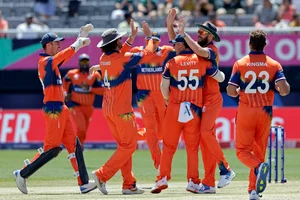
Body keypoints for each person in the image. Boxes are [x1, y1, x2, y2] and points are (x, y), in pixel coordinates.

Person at [13, 24, 96, 195]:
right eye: (57, 43)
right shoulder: (45, 62)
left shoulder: (53, 63)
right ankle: (22, 174)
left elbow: (62, 57)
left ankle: (84, 183)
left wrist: (79, 40)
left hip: (61, 108)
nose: (59, 45)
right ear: (48, 45)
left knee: (74, 145)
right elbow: (60, 57)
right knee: (52, 148)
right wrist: (77, 44)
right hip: (53, 109)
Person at [167, 8, 235, 193]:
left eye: (202, 32)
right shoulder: (193, 47)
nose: (198, 34)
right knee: (205, 143)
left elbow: (198, 49)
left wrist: (184, 33)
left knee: (205, 134)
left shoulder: (212, 50)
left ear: (211, 36)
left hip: (211, 98)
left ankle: (226, 169)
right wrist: (170, 24)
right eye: (197, 31)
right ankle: (208, 183)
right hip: (199, 100)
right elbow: (178, 42)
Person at [150, 34, 225, 194]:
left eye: (176, 44)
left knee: (169, 146)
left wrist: (167, 100)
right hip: (194, 109)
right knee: (192, 148)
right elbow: (220, 77)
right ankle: (193, 181)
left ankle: (162, 178)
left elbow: (163, 86)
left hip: (175, 107)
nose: (174, 47)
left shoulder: (171, 62)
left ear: (182, 45)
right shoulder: (201, 61)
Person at [89, 19, 156, 195]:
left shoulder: (104, 58)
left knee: (124, 146)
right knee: (129, 146)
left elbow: (122, 54)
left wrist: (132, 38)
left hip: (108, 110)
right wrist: (150, 36)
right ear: (116, 42)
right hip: (122, 111)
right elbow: (148, 54)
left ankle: (128, 184)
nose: (122, 40)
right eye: (120, 39)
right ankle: (102, 174)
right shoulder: (122, 59)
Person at [227, 30, 290, 200]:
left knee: (242, 151)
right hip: (265, 112)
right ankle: (253, 191)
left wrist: (240, 90)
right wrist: (277, 87)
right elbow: (284, 90)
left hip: (246, 111)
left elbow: (231, 90)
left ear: (249, 44)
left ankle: (259, 169)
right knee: (259, 150)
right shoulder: (274, 64)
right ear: (265, 45)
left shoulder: (240, 63)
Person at [129, 21, 173, 172]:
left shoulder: (166, 51)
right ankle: (159, 163)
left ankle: (133, 133)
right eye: (150, 41)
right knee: (152, 130)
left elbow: (181, 49)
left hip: (161, 95)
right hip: (144, 95)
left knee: (162, 132)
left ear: (159, 42)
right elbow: (119, 57)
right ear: (145, 41)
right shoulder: (138, 51)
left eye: (155, 41)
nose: (153, 44)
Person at [63, 53, 104, 148]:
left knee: (83, 130)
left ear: (89, 62)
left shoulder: (95, 75)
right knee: (81, 127)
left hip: (89, 107)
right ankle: (76, 146)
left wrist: (90, 89)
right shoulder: (72, 74)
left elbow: (103, 91)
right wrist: (65, 93)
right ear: (79, 63)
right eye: (82, 61)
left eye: (86, 61)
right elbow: (64, 83)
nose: (84, 64)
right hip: (75, 105)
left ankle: (79, 147)